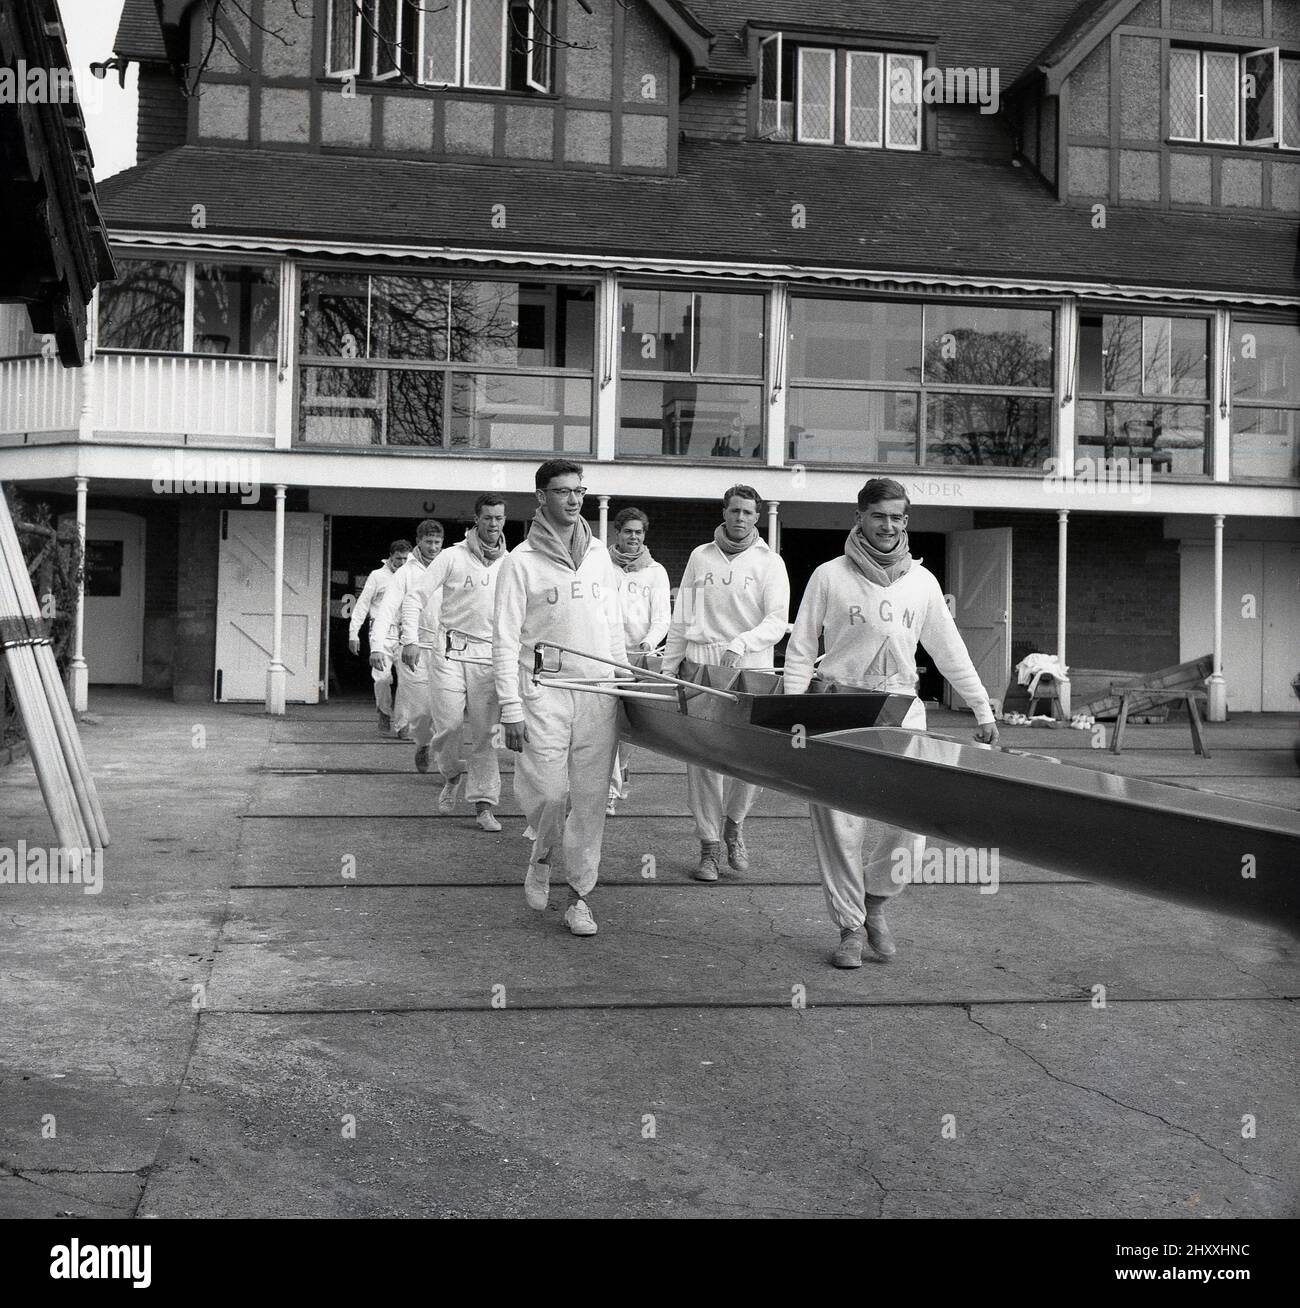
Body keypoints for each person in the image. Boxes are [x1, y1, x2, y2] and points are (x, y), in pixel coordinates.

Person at [783, 478, 1000, 968]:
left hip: (902, 710)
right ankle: (849, 926)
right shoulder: (829, 576)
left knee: (913, 815)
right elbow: (799, 653)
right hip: (835, 710)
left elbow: (951, 653)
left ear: (907, 522)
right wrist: (792, 715)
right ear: (859, 517)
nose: (888, 526)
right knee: (840, 822)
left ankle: (877, 902)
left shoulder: (921, 583)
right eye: (879, 516)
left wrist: (982, 708)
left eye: (898, 517)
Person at [493, 460, 627, 937]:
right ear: (540, 498)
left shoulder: (598, 555)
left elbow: (612, 627)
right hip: (543, 692)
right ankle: (543, 853)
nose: (573, 500)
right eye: (562, 491)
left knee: (590, 801)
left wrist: (621, 686)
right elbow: (506, 641)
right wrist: (510, 708)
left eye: (579, 491)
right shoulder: (520, 562)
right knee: (550, 793)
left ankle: (580, 899)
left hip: (597, 694)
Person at [662, 484, 790, 882]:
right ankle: (709, 847)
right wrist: (669, 669)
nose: (740, 518)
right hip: (702, 665)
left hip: (750, 668)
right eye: (734, 510)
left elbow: (776, 620)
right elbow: (682, 617)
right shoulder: (701, 556)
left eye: (748, 512)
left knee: (750, 758)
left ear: (756, 517)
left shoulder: (770, 562)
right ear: (724, 512)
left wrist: (741, 643)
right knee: (702, 758)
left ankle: (734, 824)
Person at [401, 495, 508, 833]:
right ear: (476, 520)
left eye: (499, 518)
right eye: (488, 518)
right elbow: (415, 596)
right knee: (448, 726)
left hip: (489, 658)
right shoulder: (451, 557)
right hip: (448, 653)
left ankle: (484, 805)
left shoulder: (511, 562)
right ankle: (450, 774)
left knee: (486, 735)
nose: (493, 524)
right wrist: (409, 639)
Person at [606, 507, 671, 816]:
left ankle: (623, 766)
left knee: (629, 726)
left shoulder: (655, 571)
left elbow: (662, 618)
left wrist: (648, 643)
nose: (633, 537)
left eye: (639, 532)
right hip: (605, 656)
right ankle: (609, 793)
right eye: (628, 531)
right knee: (607, 723)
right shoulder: (603, 567)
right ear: (618, 533)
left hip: (639, 659)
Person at [369, 519, 443, 764]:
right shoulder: (405, 573)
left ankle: (433, 743)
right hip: (413, 647)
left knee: (443, 704)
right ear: (418, 542)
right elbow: (386, 611)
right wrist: (377, 646)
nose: (433, 547)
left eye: (437, 542)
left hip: (445, 647)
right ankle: (422, 742)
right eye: (428, 542)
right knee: (420, 703)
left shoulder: (448, 566)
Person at [349, 540, 410, 733]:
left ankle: (403, 724)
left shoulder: (413, 575)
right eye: (398, 558)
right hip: (381, 634)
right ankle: (384, 711)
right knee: (383, 678)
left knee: (407, 680)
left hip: (404, 634)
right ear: (390, 556)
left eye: (405, 558)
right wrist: (353, 633)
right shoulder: (378, 576)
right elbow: (363, 604)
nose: (401, 562)